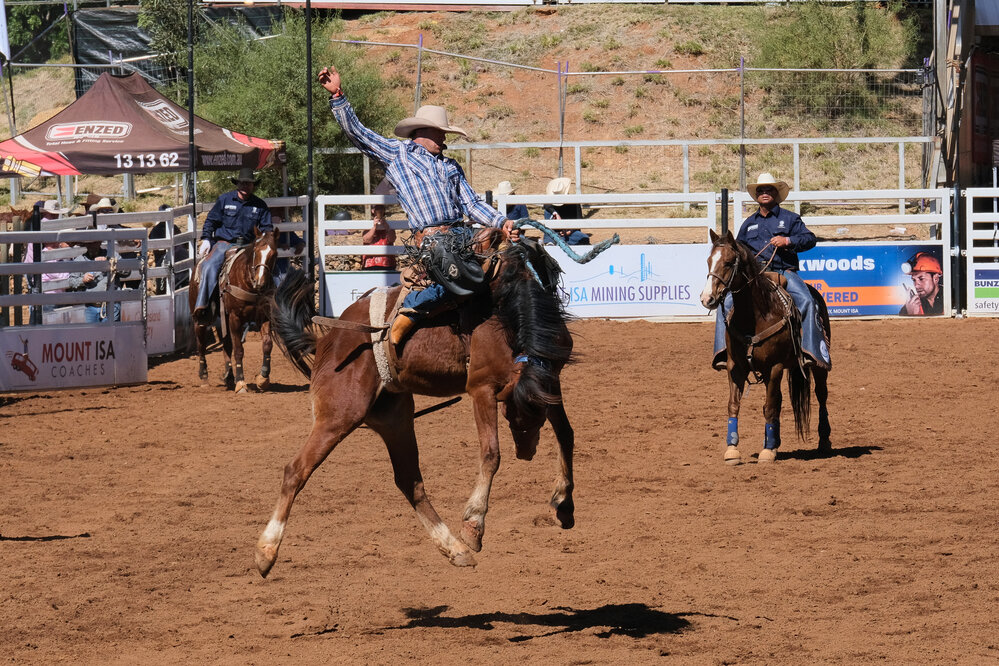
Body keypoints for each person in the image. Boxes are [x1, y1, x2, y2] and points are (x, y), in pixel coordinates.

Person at [318, 64, 515, 344]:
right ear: (425, 132)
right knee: (464, 279)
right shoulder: (399, 154)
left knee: (507, 267)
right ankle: (411, 310)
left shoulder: (450, 166)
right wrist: (338, 95)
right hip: (433, 241)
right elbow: (359, 134)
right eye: (441, 132)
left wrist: (502, 222)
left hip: (461, 234)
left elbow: (471, 204)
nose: (445, 138)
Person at [712, 172, 830, 370]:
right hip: (755, 277)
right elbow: (738, 250)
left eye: (769, 190)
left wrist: (788, 241)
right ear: (756, 196)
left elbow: (810, 239)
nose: (764, 193)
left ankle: (809, 351)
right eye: (761, 190)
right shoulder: (748, 223)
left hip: (785, 272)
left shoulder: (790, 219)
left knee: (808, 301)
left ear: (776, 194)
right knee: (725, 304)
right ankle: (724, 352)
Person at [194, 166, 273, 319]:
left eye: (248, 184)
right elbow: (211, 220)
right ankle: (202, 305)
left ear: (253, 186)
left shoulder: (260, 205)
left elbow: (267, 229)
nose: (245, 186)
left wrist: (265, 242)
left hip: (249, 246)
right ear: (237, 184)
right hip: (225, 243)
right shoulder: (224, 199)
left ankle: (271, 309)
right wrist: (206, 239)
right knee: (209, 266)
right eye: (242, 183)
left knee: (267, 270)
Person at [542, 177, 590, 247]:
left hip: (570, 233)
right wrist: (555, 213)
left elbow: (578, 221)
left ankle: (556, 242)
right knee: (548, 213)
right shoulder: (550, 204)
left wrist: (570, 231)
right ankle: (553, 241)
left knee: (583, 238)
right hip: (554, 232)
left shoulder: (574, 203)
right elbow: (546, 204)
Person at [362, 179, 398, 271]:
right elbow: (366, 239)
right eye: (377, 208)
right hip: (370, 263)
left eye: (381, 208)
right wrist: (374, 227)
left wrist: (386, 226)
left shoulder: (388, 224)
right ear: (372, 211)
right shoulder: (368, 224)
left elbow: (392, 239)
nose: (380, 211)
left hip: (387, 264)